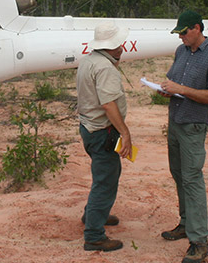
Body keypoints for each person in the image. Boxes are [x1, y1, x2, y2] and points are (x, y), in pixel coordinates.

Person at [159, 10, 208, 263]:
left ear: (197, 28)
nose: (181, 37)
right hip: (175, 121)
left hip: (194, 126)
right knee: (179, 175)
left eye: (184, 32)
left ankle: (200, 242)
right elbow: (174, 82)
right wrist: (167, 90)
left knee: (192, 179)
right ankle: (186, 224)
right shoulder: (181, 52)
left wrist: (181, 90)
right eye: (179, 33)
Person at [76, 21, 133, 252]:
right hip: (102, 131)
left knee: (103, 176)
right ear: (114, 45)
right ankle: (94, 235)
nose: (123, 47)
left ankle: (92, 214)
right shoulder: (105, 68)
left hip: (89, 127)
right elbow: (108, 104)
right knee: (106, 181)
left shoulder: (89, 60)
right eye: (120, 43)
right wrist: (125, 133)